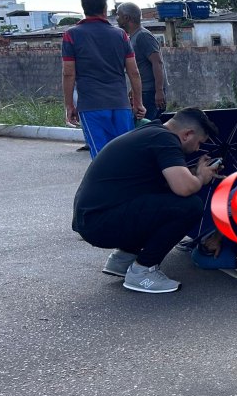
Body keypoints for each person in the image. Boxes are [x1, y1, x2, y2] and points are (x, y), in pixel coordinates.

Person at [72, 107, 219, 294]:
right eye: (199, 143)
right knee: (190, 206)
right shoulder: (165, 140)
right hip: (101, 223)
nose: (198, 149)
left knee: (166, 202)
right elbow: (184, 188)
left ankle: (123, 259)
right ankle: (143, 271)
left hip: (93, 219)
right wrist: (201, 177)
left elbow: (163, 186)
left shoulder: (150, 132)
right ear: (187, 134)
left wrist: (192, 175)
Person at [62, 0, 146, 158]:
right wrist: (138, 102)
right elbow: (134, 72)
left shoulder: (71, 35)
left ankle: (108, 185)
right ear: (105, 8)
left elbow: (68, 74)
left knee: (101, 158)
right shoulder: (121, 35)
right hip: (120, 105)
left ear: (84, 9)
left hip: (91, 107)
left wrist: (69, 105)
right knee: (126, 154)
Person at [116, 2, 168, 121]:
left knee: (147, 127)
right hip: (143, 91)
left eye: (118, 15)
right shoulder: (133, 37)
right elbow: (140, 66)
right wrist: (133, 89)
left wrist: (159, 91)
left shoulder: (143, 36)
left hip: (150, 92)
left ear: (126, 18)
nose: (117, 19)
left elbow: (157, 63)